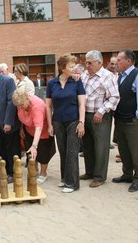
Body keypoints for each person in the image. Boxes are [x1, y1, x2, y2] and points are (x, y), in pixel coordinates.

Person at [46, 54, 86, 192]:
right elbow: (48, 106)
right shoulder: (52, 83)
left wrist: (81, 122)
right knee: (63, 151)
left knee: (72, 152)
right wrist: (50, 125)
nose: (74, 68)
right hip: (58, 121)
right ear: (63, 68)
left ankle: (72, 184)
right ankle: (64, 178)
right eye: (71, 66)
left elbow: (82, 104)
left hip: (73, 121)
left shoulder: (77, 82)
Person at [112, 50, 138, 192]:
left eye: (120, 60)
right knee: (124, 150)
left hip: (133, 121)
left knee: (136, 151)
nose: (117, 63)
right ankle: (127, 174)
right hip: (120, 120)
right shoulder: (120, 77)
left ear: (128, 61)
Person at [81, 50, 120, 188]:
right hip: (85, 115)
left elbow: (114, 97)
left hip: (100, 116)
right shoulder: (84, 75)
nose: (87, 65)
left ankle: (99, 176)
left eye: (90, 63)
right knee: (87, 145)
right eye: (86, 62)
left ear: (99, 63)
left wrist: (101, 111)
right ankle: (90, 172)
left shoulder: (107, 76)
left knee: (101, 146)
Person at [13, 89, 56, 184]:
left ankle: (43, 173)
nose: (21, 107)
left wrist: (34, 145)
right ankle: (34, 169)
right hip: (29, 129)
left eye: (22, 105)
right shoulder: (20, 103)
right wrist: (21, 128)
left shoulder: (37, 106)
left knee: (43, 153)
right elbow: (21, 116)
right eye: (19, 106)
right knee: (32, 153)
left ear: (27, 98)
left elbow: (39, 128)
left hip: (42, 130)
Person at [107, 56, 121, 162]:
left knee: (120, 129)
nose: (113, 66)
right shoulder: (106, 76)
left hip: (120, 107)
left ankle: (122, 153)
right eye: (111, 64)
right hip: (109, 106)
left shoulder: (121, 76)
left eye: (115, 64)